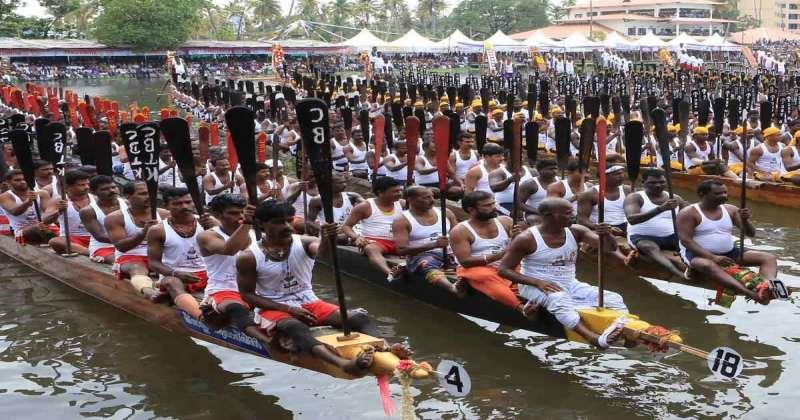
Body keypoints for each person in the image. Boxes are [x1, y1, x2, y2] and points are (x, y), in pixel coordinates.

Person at [236, 200, 409, 377]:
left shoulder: (304, 242)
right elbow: (247, 295)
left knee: (358, 317)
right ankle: (344, 364)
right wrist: (289, 309)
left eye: (290, 220)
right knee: (296, 328)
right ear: (260, 224)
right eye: (279, 222)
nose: (287, 226)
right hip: (273, 307)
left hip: (309, 301)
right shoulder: (248, 256)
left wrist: (326, 238)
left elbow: (322, 255)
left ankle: (386, 347)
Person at [499, 198, 630, 349]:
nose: (573, 215)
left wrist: (606, 234)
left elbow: (609, 248)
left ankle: (623, 328)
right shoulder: (527, 238)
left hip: (570, 283)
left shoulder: (576, 231)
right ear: (549, 215)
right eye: (568, 213)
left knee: (613, 298)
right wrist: (538, 282)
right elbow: (503, 270)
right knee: (559, 299)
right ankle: (594, 338)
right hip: (535, 285)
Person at [676, 180, 777, 304]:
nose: (724, 196)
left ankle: (767, 285)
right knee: (707, 265)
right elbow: (686, 241)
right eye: (717, 194)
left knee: (768, 258)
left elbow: (751, 234)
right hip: (698, 255)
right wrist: (713, 257)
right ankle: (750, 293)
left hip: (729, 252)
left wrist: (745, 220)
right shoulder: (688, 213)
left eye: (725, 192)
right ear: (702, 194)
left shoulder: (731, 210)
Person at [196, 194, 269, 342]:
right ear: (217, 215)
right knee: (237, 309)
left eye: (243, 212)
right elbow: (229, 250)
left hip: (254, 291)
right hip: (223, 290)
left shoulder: (258, 235)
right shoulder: (207, 236)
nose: (240, 216)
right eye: (233, 213)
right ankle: (269, 343)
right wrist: (247, 222)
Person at [450, 190, 532, 315]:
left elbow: (522, 249)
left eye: (493, 203)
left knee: (533, 269)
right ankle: (521, 308)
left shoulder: (506, 221)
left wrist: (517, 239)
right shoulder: (460, 231)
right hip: (477, 268)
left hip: (507, 265)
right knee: (485, 276)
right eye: (487, 206)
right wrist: (502, 254)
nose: (493, 208)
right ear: (471, 210)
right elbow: (465, 262)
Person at [147, 187, 215, 318]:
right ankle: (202, 316)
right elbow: (153, 263)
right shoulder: (157, 230)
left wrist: (216, 227)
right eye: (177, 204)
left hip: (208, 273)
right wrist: (175, 273)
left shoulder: (208, 222)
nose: (185, 206)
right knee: (171, 282)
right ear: (165, 205)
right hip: (176, 275)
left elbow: (230, 249)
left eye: (188, 202)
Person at [105, 181, 169, 297]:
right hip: (131, 256)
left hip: (160, 256)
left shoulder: (165, 214)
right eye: (143, 194)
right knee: (136, 267)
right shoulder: (115, 218)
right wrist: (144, 232)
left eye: (151, 193)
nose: (149, 197)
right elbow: (121, 247)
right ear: (128, 197)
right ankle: (150, 292)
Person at [623, 168, 688, 279]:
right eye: (653, 183)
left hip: (671, 237)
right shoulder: (635, 197)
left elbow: (690, 216)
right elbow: (632, 219)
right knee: (648, 247)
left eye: (662, 182)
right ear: (643, 183)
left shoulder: (675, 198)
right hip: (642, 238)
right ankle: (679, 274)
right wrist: (661, 209)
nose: (658, 185)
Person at [393, 186, 459, 293]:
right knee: (427, 264)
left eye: (432, 197)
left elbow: (459, 236)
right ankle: (452, 288)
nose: (432, 200)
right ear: (411, 200)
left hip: (450, 253)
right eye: (425, 198)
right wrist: (434, 245)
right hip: (422, 256)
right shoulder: (401, 220)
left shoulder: (446, 212)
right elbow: (401, 249)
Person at [342, 176, 404, 281]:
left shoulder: (402, 203)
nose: (399, 194)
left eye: (400, 191)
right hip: (376, 242)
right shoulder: (365, 206)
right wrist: (356, 237)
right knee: (370, 248)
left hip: (399, 241)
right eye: (395, 191)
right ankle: (390, 273)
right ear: (380, 192)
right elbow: (346, 226)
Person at [0, 169, 56, 244]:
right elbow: (15, 212)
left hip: (44, 226)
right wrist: (28, 202)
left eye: (25, 179)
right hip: (21, 231)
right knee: (38, 227)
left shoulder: (42, 193)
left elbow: (47, 214)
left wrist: (57, 211)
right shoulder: (5, 197)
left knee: (46, 225)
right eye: (17, 180)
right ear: (8, 182)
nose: (23, 182)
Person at [45, 170, 94, 256]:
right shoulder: (58, 200)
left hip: (95, 238)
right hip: (72, 239)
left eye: (87, 184)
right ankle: (91, 253)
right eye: (82, 185)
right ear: (68, 187)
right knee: (54, 241)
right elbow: (45, 220)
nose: (87, 187)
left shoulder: (96, 199)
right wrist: (58, 211)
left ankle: (92, 251)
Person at [79, 175, 124, 264]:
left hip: (130, 245)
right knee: (122, 262)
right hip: (103, 247)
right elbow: (100, 236)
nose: (112, 191)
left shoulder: (126, 203)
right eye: (105, 189)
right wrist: (131, 240)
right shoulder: (88, 211)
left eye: (113, 187)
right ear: (93, 192)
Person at [576, 164, 631, 237]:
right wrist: (598, 227)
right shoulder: (589, 194)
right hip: (600, 229)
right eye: (617, 174)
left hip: (625, 228)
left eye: (622, 173)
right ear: (604, 176)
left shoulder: (628, 190)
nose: (622, 176)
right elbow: (581, 220)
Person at [306, 172, 363, 237]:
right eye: (340, 183)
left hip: (350, 230)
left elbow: (369, 205)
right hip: (331, 233)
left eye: (344, 182)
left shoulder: (352, 196)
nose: (344, 185)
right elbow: (309, 221)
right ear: (330, 184)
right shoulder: (317, 200)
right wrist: (327, 229)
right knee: (340, 237)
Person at [519, 159, 559, 224]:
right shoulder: (530, 184)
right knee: (535, 220)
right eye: (550, 169)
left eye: (555, 169)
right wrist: (539, 212)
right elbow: (519, 203)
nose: (554, 171)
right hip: (534, 213)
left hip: (556, 213)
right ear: (540, 170)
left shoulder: (560, 182)